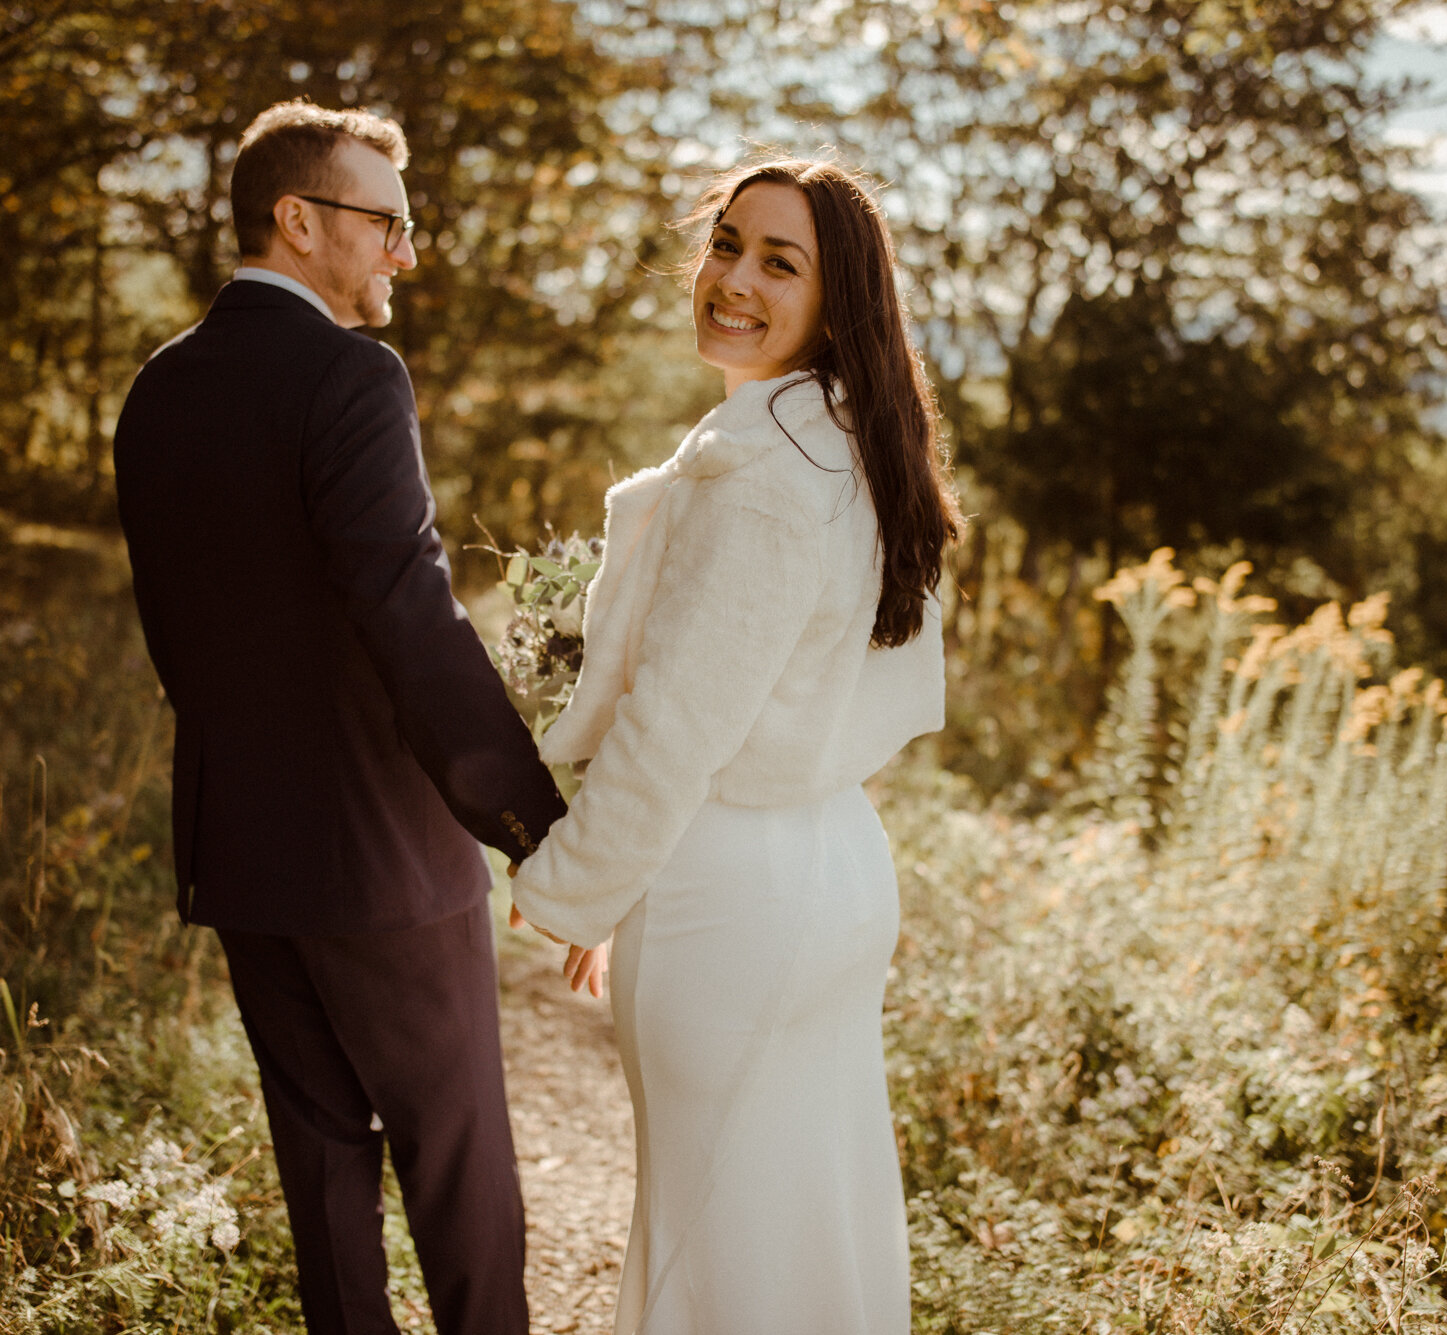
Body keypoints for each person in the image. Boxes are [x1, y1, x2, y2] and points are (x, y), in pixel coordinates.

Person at [113, 100, 567, 1335]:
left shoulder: (159, 386)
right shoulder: (350, 375)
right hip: (381, 858)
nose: (405, 256)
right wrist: (531, 820)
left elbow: (183, 631)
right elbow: (408, 617)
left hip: (241, 849)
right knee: (455, 1159)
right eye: (387, 226)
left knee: (321, 1171)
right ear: (298, 221)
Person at [508, 157, 962, 1334]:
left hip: (729, 892)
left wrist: (573, 888)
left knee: (710, 1244)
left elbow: (673, 729)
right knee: (809, 1211)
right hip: (834, 867)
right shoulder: (852, 444)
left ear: (836, 300)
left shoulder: (760, 473)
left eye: (778, 261)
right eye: (724, 244)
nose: (732, 279)